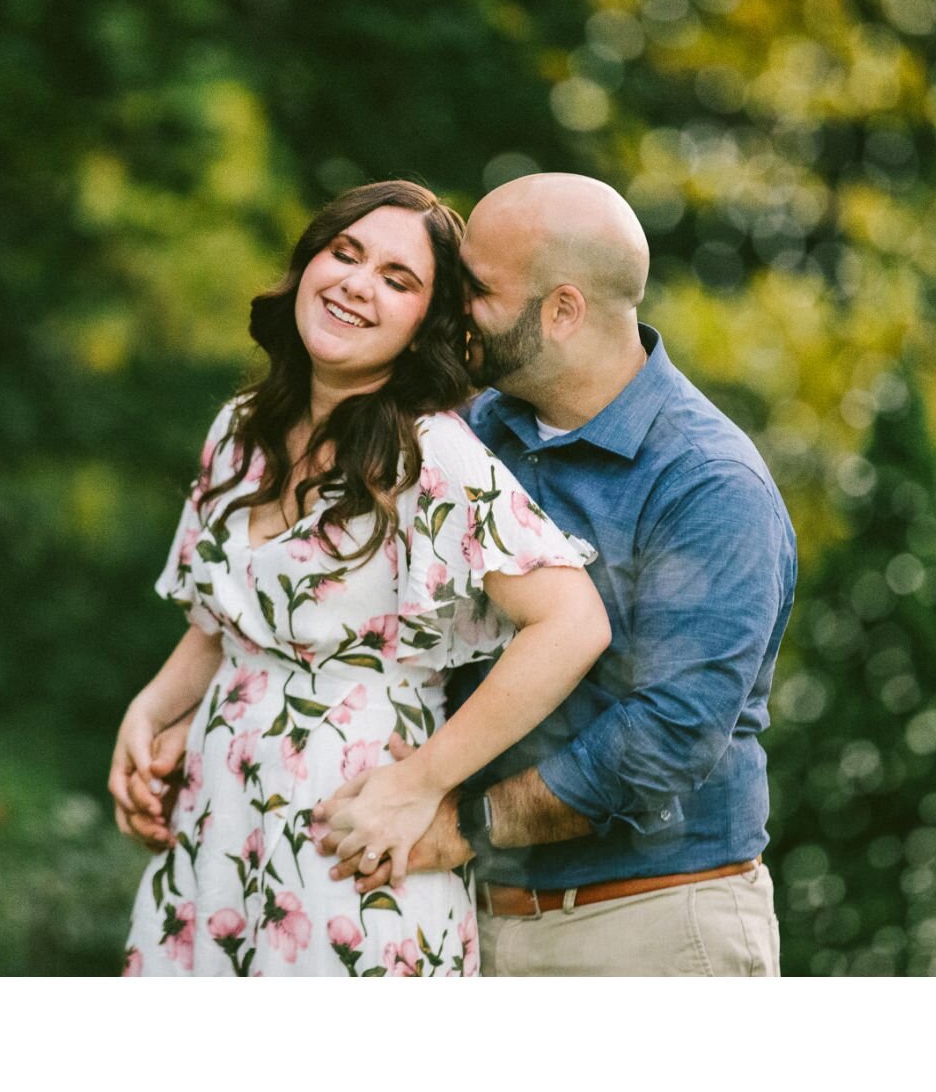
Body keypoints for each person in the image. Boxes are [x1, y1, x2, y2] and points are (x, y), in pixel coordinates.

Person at [111, 179, 609, 977]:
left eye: (397, 278)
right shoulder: (240, 433)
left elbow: (573, 623)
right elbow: (224, 627)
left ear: (424, 327)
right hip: (216, 832)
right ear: (307, 263)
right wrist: (148, 711)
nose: (355, 284)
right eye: (344, 253)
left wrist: (423, 782)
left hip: (353, 843)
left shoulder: (430, 455)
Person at [316, 171, 798, 977]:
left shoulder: (709, 485)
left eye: (474, 289)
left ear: (563, 311)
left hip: (651, 926)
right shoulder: (476, 433)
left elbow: (666, 736)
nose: (448, 307)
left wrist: (460, 821)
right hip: (472, 916)